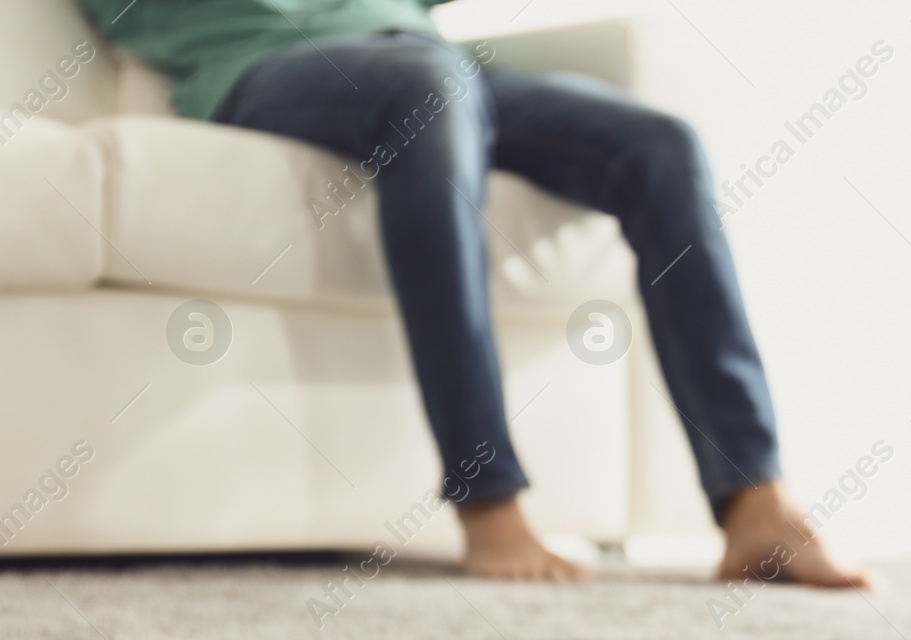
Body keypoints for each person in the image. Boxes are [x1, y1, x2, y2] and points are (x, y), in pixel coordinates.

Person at [79, 0, 869, 587]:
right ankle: (488, 501)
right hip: (263, 66)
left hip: (429, 56)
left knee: (663, 147)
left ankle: (754, 500)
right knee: (430, 88)